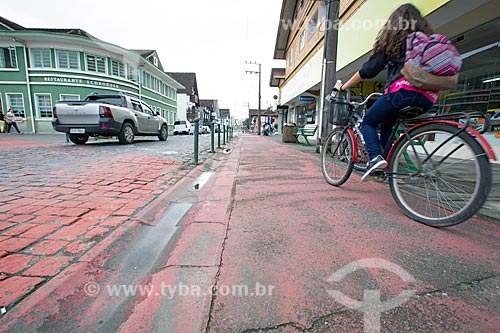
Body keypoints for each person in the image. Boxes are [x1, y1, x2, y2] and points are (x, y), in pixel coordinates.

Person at [334, 3, 438, 181]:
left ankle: (375, 158)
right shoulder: (426, 41)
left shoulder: (394, 41)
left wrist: (342, 87)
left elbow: (367, 71)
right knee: (388, 124)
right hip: (428, 97)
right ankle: (383, 164)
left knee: (368, 122)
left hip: (402, 92)